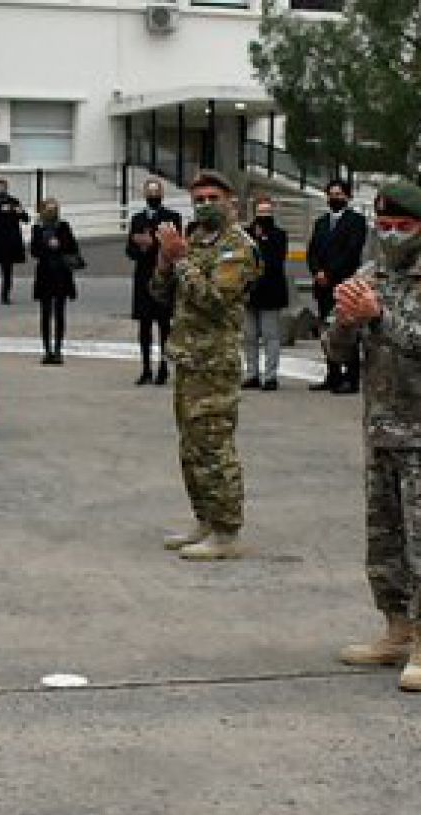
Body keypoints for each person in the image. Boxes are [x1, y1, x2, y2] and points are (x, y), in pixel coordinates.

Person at [327, 181, 421, 692]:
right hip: (382, 431)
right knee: (384, 543)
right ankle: (396, 630)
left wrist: (379, 317)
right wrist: (345, 322)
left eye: (403, 227)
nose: (391, 235)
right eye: (385, 226)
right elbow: (337, 352)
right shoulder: (368, 276)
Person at [150, 170, 259, 561]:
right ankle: (206, 520)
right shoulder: (194, 240)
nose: (206, 205)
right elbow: (159, 294)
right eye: (199, 200)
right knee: (191, 446)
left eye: (214, 198)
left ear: (231, 202)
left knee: (214, 446)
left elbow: (215, 300)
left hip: (215, 362)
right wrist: (165, 263)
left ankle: (227, 531)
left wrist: (180, 260)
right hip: (188, 358)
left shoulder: (238, 247)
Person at [307, 178, 367, 393]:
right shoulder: (321, 222)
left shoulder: (356, 221)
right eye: (331, 194)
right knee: (327, 331)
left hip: (344, 283)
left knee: (348, 331)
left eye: (339, 194)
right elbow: (312, 251)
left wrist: (330, 273)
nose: (334, 198)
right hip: (323, 286)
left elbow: (352, 251)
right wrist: (317, 272)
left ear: (348, 197)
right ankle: (332, 375)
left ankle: (351, 378)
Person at [125, 178, 184, 386]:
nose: (153, 196)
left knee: (164, 324)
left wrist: (155, 244)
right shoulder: (137, 219)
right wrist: (140, 246)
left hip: (164, 276)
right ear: (144, 195)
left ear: (162, 194)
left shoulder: (172, 217)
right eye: (150, 192)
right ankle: (146, 368)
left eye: (156, 192)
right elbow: (129, 250)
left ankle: (164, 367)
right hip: (143, 277)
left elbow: (176, 246)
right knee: (144, 325)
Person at [242, 194, 290, 391]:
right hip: (249, 290)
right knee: (249, 335)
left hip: (271, 290)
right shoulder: (245, 234)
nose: (264, 216)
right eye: (261, 212)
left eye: (267, 212)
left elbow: (275, 260)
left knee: (271, 335)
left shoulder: (279, 234)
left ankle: (270, 376)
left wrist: (262, 239)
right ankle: (252, 373)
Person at [28, 198, 79, 365]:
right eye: (48, 210)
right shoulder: (37, 228)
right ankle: (47, 350)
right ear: (42, 211)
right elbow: (34, 251)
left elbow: (73, 247)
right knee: (45, 313)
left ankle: (58, 349)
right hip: (45, 274)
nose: (51, 213)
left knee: (59, 313)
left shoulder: (63, 226)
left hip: (61, 273)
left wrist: (60, 244)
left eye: (54, 209)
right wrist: (47, 245)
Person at [0, 178, 27, 305]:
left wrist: (18, 211)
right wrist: (1, 210)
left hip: (9, 241)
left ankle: (5, 295)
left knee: (7, 270)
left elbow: (25, 218)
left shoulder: (14, 201)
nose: (1, 189)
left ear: (7, 188)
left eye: (3, 187)